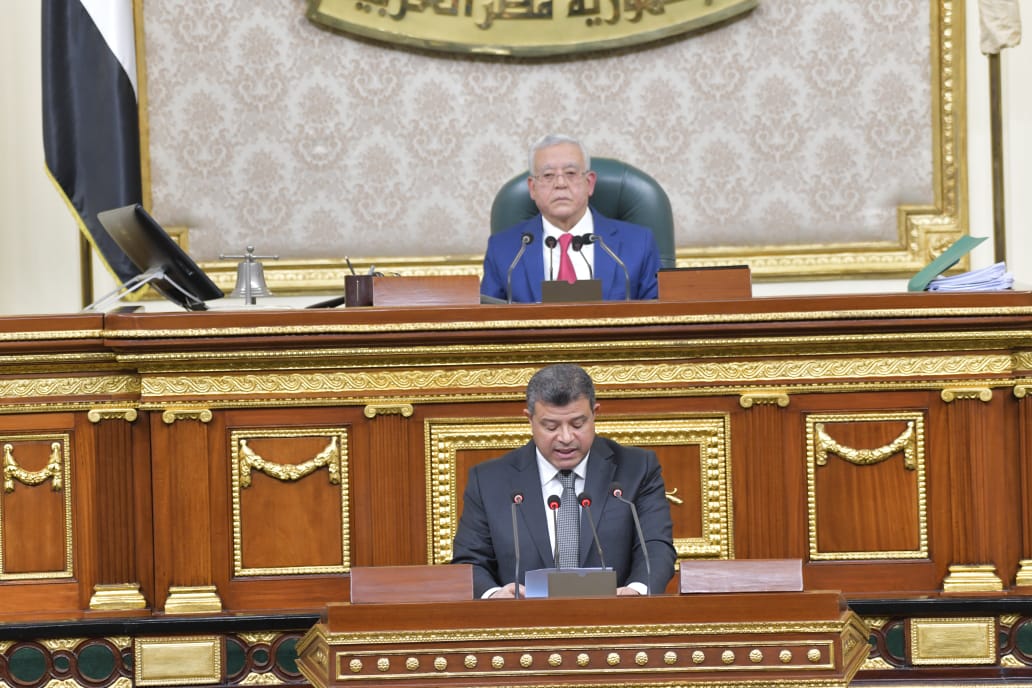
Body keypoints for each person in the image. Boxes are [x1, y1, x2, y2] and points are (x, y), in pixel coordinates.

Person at [451, 363, 676, 598]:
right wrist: (494, 595)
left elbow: (656, 546)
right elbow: (470, 560)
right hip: (520, 618)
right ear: (529, 419)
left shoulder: (637, 469)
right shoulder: (489, 480)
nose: (566, 438)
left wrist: (637, 592)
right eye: (551, 427)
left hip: (617, 617)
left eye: (578, 424)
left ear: (595, 414)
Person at [480, 134, 661, 303]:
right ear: (532, 188)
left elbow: (659, 316)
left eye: (571, 173)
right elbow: (487, 320)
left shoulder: (639, 244)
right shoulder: (503, 251)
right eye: (548, 175)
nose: (560, 184)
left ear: (589, 183)